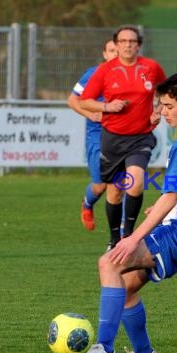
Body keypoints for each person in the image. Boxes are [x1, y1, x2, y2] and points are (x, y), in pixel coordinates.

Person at [76, 71, 177, 353]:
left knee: (109, 262)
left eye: (169, 106)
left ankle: (104, 349)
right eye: (161, 105)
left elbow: (171, 196)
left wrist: (133, 237)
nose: (162, 112)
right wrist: (168, 207)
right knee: (127, 288)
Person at [80, 25, 167, 249]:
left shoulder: (151, 67)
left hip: (141, 137)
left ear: (138, 45)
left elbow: (164, 92)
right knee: (115, 191)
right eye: (123, 41)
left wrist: (158, 111)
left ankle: (128, 235)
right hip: (113, 139)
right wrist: (107, 106)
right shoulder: (105, 70)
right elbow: (85, 100)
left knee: (136, 182)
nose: (128, 44)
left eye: (132, 41)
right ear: (116, 45)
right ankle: (113, 238)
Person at [67, 39, 118, 231]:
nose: (115, 53)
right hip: (97, 134)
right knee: (100, 186)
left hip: (122, 135)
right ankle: (87, 204)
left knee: (122, 185)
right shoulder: (93, 74)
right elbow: (72, 100)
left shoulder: (128, 76)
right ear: (105, 54)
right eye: (111, 50)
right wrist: (91, 114)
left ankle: (121, 234)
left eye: (117, 50)